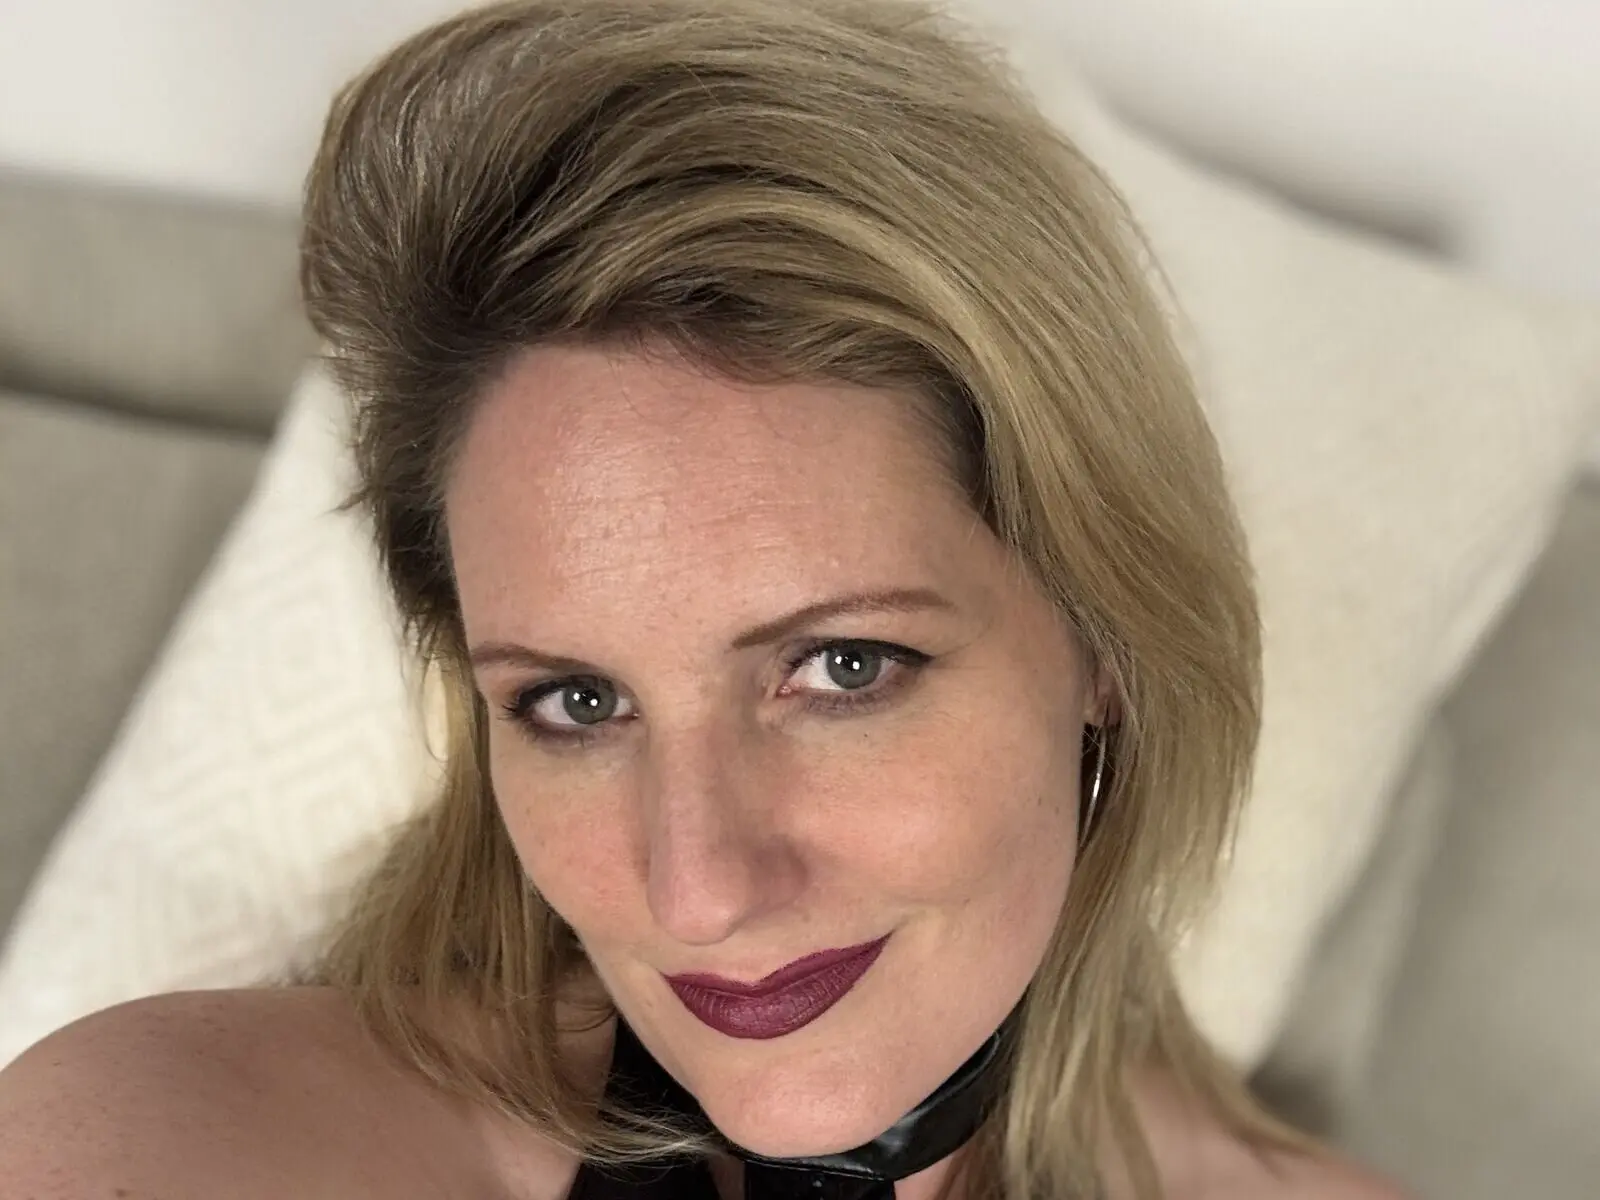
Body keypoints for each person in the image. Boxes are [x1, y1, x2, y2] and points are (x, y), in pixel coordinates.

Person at [0, 1, 1412, 1197]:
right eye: (577, 701)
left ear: (1103, 638)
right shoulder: (165, 1139)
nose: (698, 892)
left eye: (844, 668)